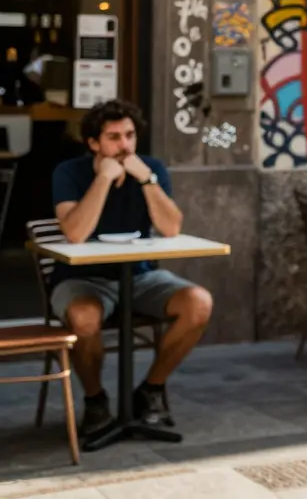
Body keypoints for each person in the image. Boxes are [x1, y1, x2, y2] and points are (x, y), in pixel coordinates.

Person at [50, 100, 213, 436]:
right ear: (94, 143)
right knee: (83, 319)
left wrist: (148, 180)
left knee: (199, 303)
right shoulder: (69, 172)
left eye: (129, 135)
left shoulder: (150, 168)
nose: (124, 146)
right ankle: (96, 400)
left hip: (139, 276)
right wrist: (103, 181)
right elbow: (75, 232)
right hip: (83, 278)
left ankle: (151, 390)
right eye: (113, 138)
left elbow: (170, 229)